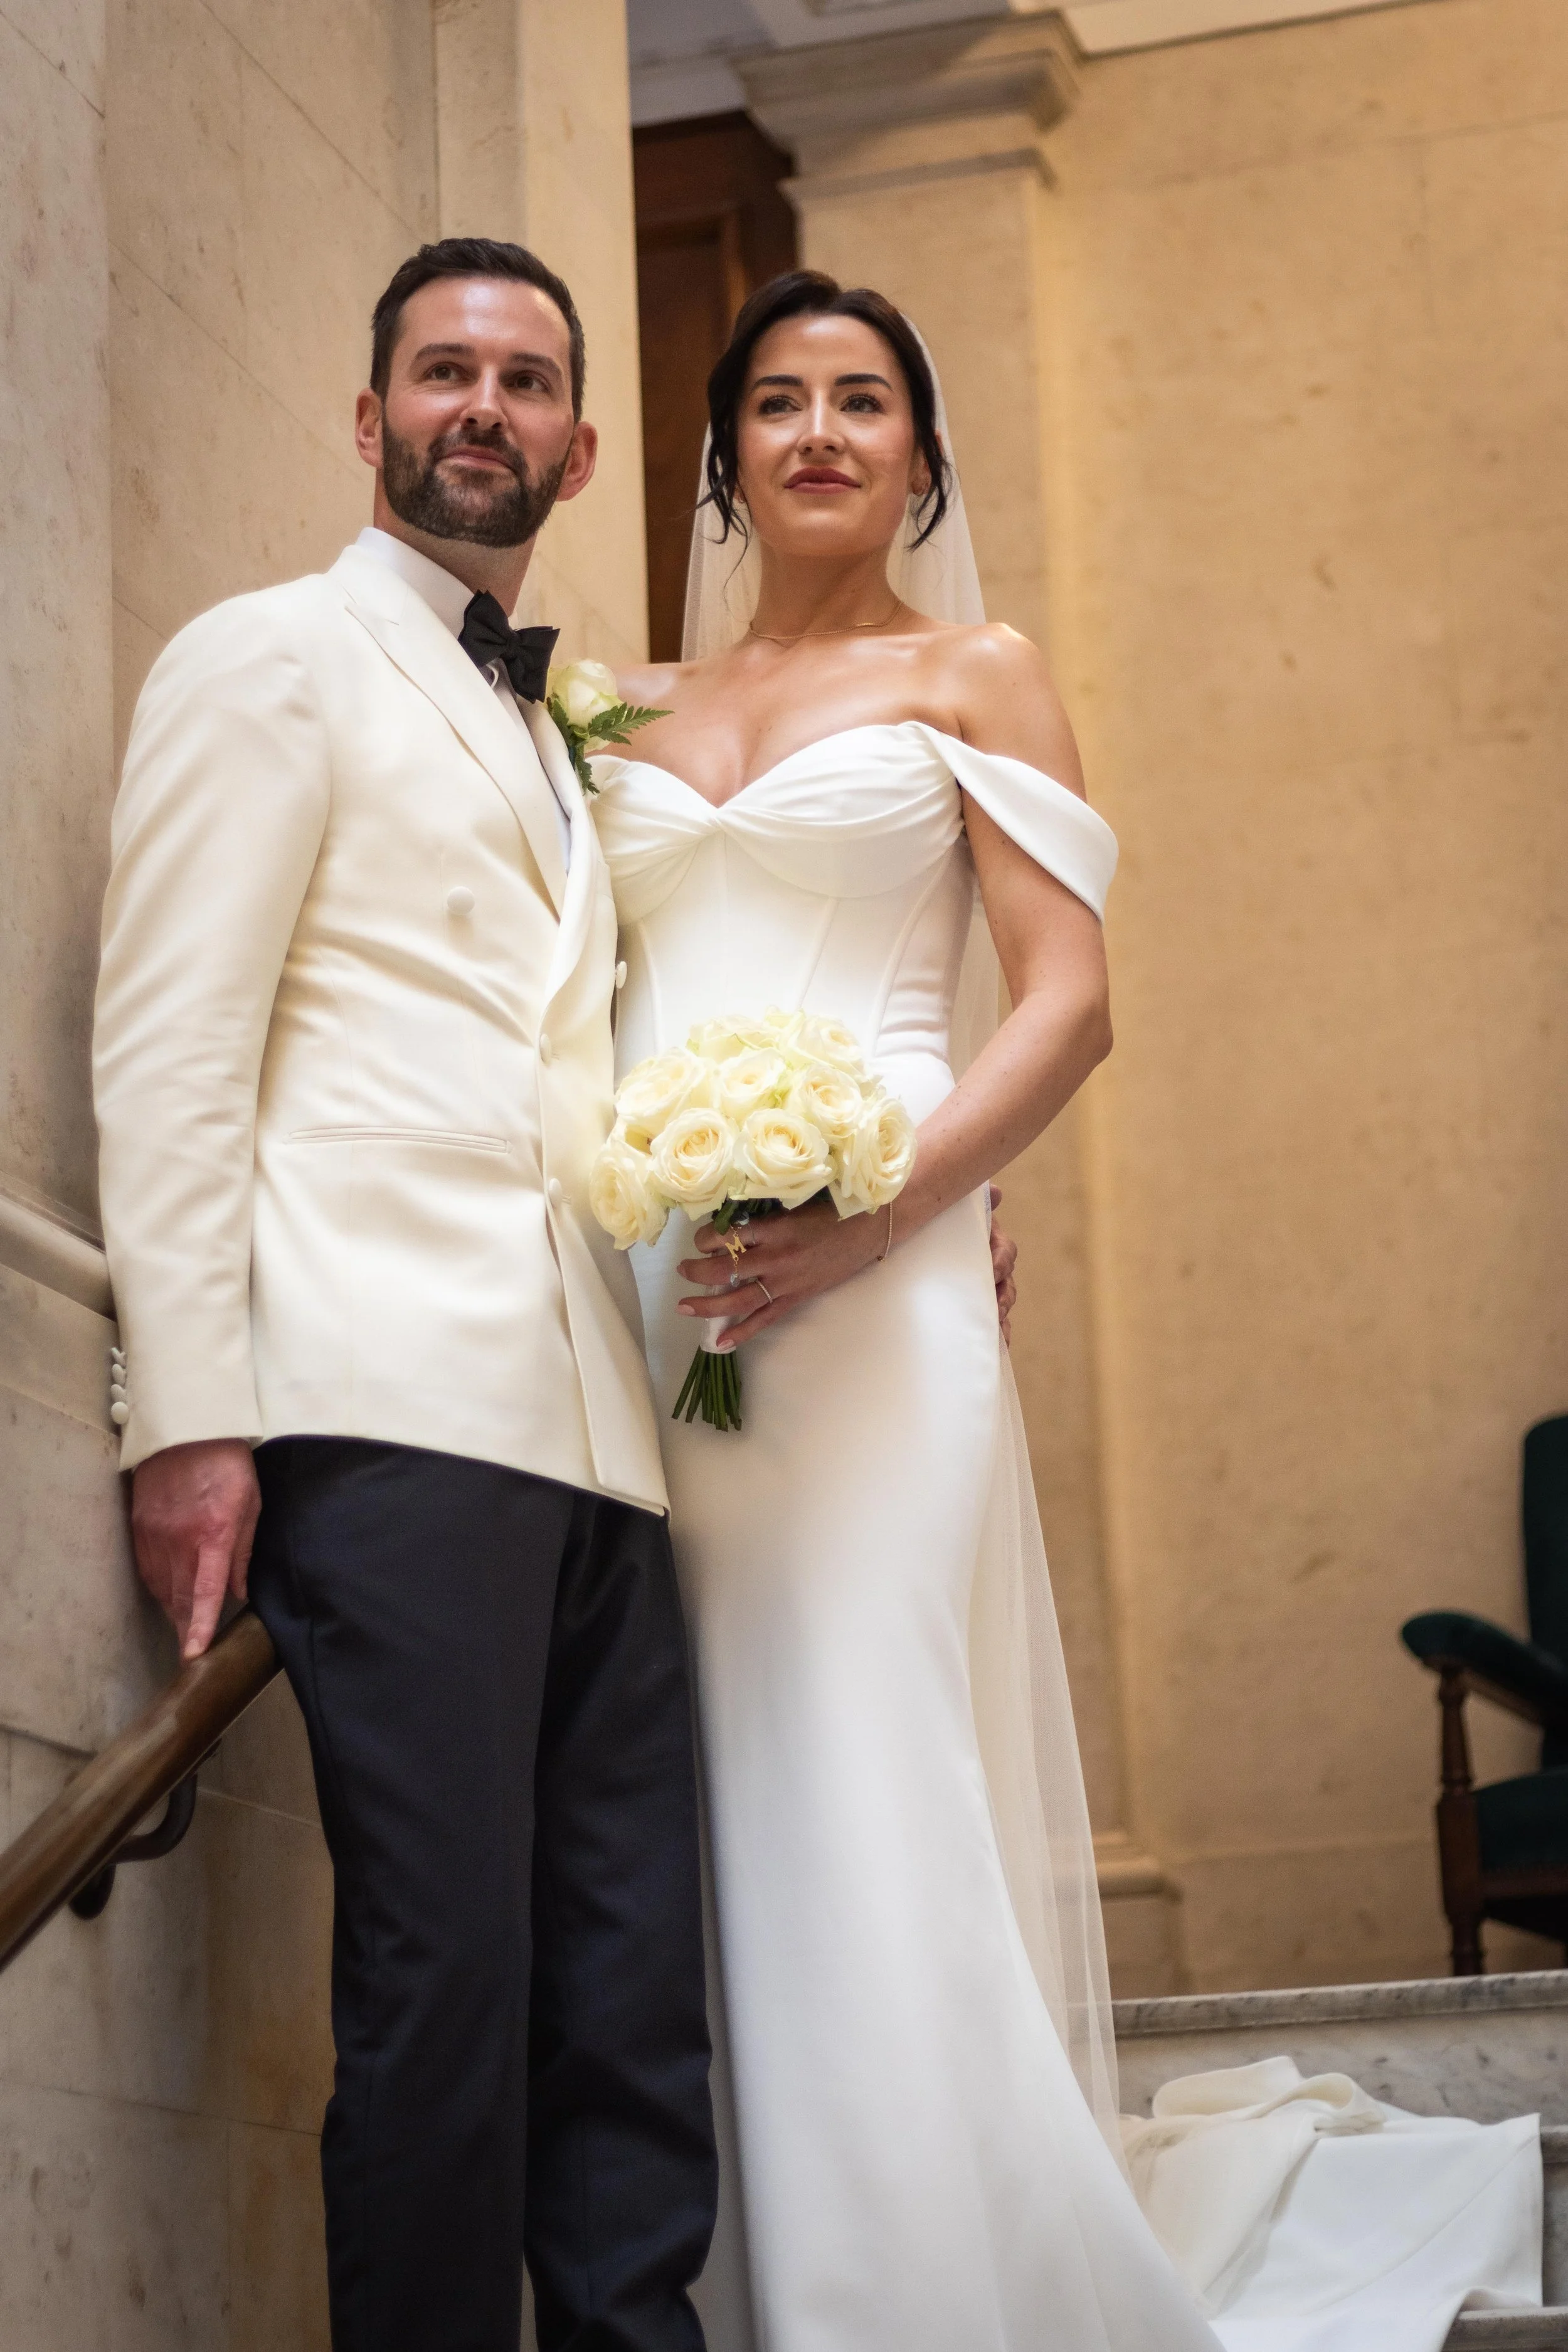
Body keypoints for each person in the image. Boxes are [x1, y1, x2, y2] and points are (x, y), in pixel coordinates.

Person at [93, 237, 718, 2352]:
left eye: (525, 379)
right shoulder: (263, 658)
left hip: (600, 1441)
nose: (485, 405)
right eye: (443, 372)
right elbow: (173, 1045)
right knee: (447, 1982)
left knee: (626, 1995)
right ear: (369, 423)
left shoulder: (561, 739)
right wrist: (189, 1412)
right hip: (385, 1410)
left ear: (577, 440)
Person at [590, 269, 1222, 2351]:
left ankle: (916, 2292)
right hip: (653, 1292)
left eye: (864, 401)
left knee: (861, 1744)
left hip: (882, 1284)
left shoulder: (980, 669)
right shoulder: (619, 708)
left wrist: (892, 1219)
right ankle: (742, 2267)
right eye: (775, 402)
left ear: (921, 453)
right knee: (694, 1780)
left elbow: (1070, 998)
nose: (821, 433)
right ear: (723, 457)